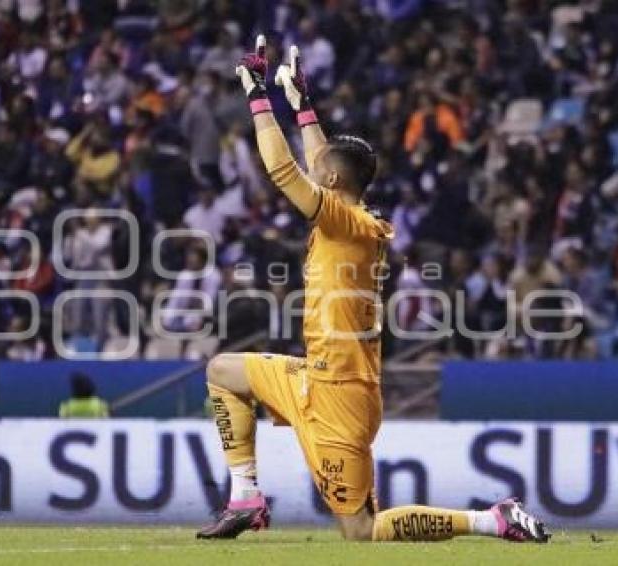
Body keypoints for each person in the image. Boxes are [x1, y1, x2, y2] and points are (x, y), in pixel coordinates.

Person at [196, 36, 550, 544]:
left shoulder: (346, 223)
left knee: (361, 530)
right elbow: (322, 159)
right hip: (314, 375)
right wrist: (300, 104)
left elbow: (282, 171)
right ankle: (245, 498)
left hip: (341, 394)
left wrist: (258, 99)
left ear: (334, 180)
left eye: (322, 173)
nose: (313, 169)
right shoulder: (355, 215)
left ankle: (491, 519)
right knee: (223, 372)